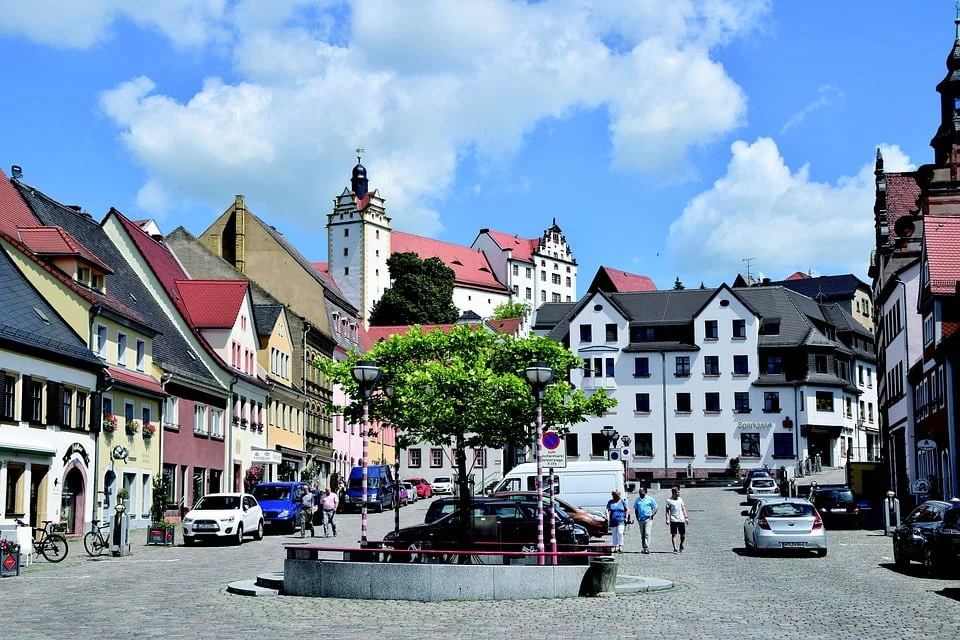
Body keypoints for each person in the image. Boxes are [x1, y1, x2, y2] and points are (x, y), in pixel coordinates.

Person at [632, 485, 658, 554]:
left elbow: (656, 507)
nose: (640, 492)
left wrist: (652, 515)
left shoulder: (650, 499)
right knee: (642, 535)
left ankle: (647, 548)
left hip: (648, 519)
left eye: (642, 491)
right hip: (641, 519)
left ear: (645, 492)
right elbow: (636, 509)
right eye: (639, 491)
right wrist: (637, 517)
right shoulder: (637, 500)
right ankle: (643, 547)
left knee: (647, 533)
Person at [664, 486, 689, 554]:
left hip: (681, 519)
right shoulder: (669, 501)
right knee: (674, 534)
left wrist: (686, 517)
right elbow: (667, 511)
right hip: (673, 519)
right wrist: (667, 519)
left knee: (683, 535)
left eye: (679, 492)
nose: (679, 493)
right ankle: (675, 548)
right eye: (678, 492)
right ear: (674, 493)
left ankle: (681, 544)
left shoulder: (680, 499)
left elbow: (683, 508)